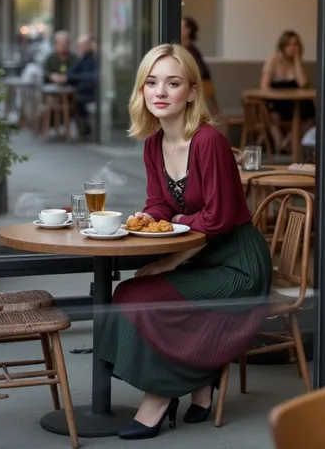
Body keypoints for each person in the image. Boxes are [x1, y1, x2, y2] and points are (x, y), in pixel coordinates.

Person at [98, 44, 272, 440]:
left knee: (148, 298)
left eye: (172, 83)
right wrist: (150, 216)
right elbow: (161, 202)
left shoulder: (209, 141)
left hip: (237, 264)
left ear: (191, 92)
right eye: (151, 83)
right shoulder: (153, 144)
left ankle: (159, 398)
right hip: (202, 257)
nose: (160, 92)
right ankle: (198, 386)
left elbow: (219, 219)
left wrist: (169, 259)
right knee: (127, 292)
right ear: (142, 91)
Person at [260, 30, 315, 152]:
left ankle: (288, 142)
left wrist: (297, 60)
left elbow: (303, 84)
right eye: (289, 45)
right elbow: (264, 87)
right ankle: (281, 142)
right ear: (282, 46)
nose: (292, 48)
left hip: (295, 102)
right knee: (269, 112)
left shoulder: (297, 63)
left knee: (310, 110)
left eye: (295, 44)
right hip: (277, 102)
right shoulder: (273, 60)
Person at [51, 34, 98, 136]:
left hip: (89, 94)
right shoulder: (82, 59)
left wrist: (68, 78)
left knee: (72, 103)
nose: (79, 48)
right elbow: (72, 73)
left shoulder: (93, 59)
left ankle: (80, 130)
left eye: (81, 45)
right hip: (79, 92)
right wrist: (65, 77)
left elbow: (91, 77)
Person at [181, 16, 221, 117]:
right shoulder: (182, 48)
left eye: (182, 27)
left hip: (201, 85)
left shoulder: (191, 51)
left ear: (188, 31)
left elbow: (201, 72)